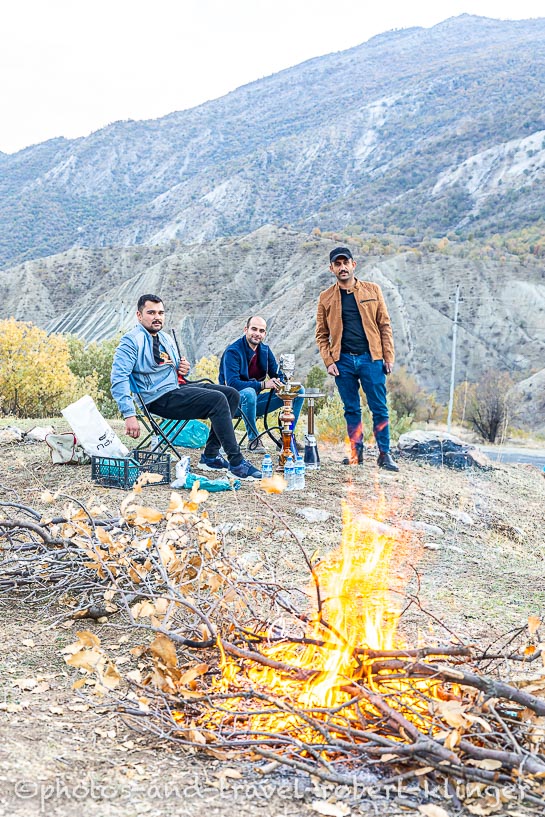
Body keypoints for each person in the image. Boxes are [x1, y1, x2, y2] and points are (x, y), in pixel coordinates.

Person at [111, 294, 262, 480]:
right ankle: (237, 462)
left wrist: (182, 369)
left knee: (231, 394)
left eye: (160, 312)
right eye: (151, 312)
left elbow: (177, 371)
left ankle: (211, 456)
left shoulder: (165, 339)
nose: (157, 317)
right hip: (157, 398)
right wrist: (129, 414)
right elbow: (119, 378)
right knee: (217, 400)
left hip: (176, 389)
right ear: (139, 315)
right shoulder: (131, 341)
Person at [316, 247, 399, 471]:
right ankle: (356, 453)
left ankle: (384, 454)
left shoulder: (373, 290)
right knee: (351, 409)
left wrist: (388, 356)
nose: (342, 267)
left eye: (346, 263)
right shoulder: (326, 298)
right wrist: (329, 361)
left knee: (379, 408)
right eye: (337, 264)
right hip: (342, 361)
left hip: (371, 359)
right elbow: (321, 334)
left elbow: (385, 325)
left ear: (354, 265)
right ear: (331, 268)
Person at [219, 316, 304, 453]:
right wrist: (263, 385)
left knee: (298, 391)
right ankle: (253, 440)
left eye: (261, 330)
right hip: (231, 404)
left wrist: (280, 384)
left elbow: (277, 374)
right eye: (254, 329)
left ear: (264, 334)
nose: (257, 333)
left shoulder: (264, 351)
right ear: (246, 329)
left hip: (254, 404)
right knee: (249, 392)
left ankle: (286, 438)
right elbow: (232, 384)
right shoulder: (233, 351)